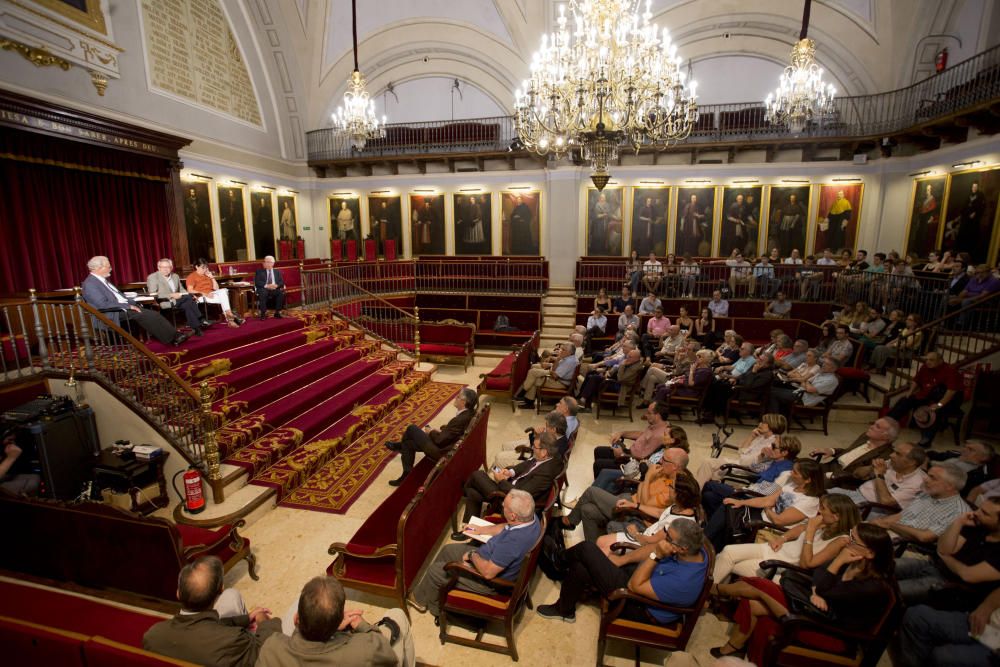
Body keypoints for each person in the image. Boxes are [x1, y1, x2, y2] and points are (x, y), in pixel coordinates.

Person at [709, 523, 896, 664]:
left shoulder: (873, 587)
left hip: (828, 629)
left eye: (854, 540)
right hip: (813, 608)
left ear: (870, 553)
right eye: (849, 535)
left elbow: (827, 588)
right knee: (754, 601)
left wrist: (836, 564)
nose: (847, 541)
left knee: (759, 587)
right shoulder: (854, 561)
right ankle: (734, 647)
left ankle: (712, 590)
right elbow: (818, 573)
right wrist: (817, 591)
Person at [537, 519, 708, 624]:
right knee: (581, 566)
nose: (664, 540)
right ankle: (564, 610)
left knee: (587, 549)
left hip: (640, 606)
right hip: (644, 579)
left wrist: (657, 555)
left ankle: (558, 560)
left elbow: (634, 586)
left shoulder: (684, 581)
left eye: (669, 538)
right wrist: (621, 560)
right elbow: (653, 547)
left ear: (683, 548)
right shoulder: (694, 551)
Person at [409, 490, 540, 617]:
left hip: (488, 582)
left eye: (504, 506)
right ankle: (430, 593)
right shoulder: (531, 519)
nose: (502, 506)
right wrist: (481, 529)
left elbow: (488, 573)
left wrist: (472, 555)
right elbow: (507, 526)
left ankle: (435, 608)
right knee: (448, 550)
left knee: (435, 571)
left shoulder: (512, 543)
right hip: (488, 556)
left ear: (513, 516)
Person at [143, 556, 282, 666]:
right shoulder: (232, 641)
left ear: (178, 593)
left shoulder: (152, 635)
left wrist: (245, 618)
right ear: (220, 589)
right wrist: (263, 620)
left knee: (231, 595)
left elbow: (203, 627)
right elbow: (265, 650)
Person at [257, 576, 413, 667]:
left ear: (296, 619)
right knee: (397, 614)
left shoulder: (270, 648)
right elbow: (389, 656)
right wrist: (363, 626)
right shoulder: (365, 649)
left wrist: (325, 625)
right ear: (338, 622)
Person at [713, 493, 860, 585]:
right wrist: (782, 538)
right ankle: (713, 593)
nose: (819, 511)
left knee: (729, 564)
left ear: (836, 517)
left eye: (823, 509)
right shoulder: (823, 522)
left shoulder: (841, 540)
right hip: (776, 549)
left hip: (783, 565)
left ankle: (711, 593)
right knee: (727, 552)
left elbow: (807, 564)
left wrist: (810, 531)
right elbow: (799, 529)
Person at [893, 494, 1000, 606]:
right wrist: (958, 522)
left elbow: (967, 575)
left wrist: (946, 557)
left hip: (949, 586)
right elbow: (944, 548)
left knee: (890, 590)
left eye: (984, 513)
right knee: (878, 566)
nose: (976, 513)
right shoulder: (977, 526)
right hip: (933, 565)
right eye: (979, 509)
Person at [704, 457, 823, 553]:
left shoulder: (810, 502)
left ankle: (704, 543)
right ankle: (708, 546)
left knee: (727, 510)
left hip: (767, 527)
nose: (791, 473)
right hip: (760, 515)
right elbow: (768, 500)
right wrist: (741, 502)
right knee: (730, 503)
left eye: (795, 472)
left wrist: (767, 508)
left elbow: (779, 520)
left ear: (808, 480)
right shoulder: (792, 486)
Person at [457, 433, 562, 527]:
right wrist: (510, 472)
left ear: (544, 452)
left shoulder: (546, 472)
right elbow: (526, 464)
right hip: (511, 486)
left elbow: (520, 495)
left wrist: (501, 481)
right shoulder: (547, 458)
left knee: (477, 475)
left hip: (512, 501)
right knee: (473, 493)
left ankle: (462, 491)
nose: (532, 448)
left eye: (534, 447)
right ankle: (469, 527)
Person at [82, 256, 189, 346]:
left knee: (152, 313)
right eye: (108, 266)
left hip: (120, 308)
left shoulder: (102, 280)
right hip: (111, 312)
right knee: (147, 315)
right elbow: (102, 304)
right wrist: (128, 306)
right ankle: (172, 338)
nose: (111, 268)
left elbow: (119, 296)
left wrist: (133, 301)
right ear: (98, 268)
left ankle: (174, 336)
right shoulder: (91, 283)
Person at [385, 387, 476, 485]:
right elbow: (454, 432)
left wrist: (431, 431)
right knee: (408, 444)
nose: (455, 398)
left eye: (458, 397)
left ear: (463, 402)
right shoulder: (470, 413)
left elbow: (439, 441)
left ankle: (399, 447)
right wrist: (444, 431)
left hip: (441, 452)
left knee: (411, 428)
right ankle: (406, 473)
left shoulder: (459, 420)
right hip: (449, 446)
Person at [893, 587, 1000, 667]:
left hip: (996, 649)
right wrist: (987, 606)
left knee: (942, 656)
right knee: (915, 616)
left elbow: (967, 574)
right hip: (989, 624)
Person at [869, 462, 971, 544]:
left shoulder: (959, 513)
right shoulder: (928, 493)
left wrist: (890, 525)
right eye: (928, 475)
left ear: (950, 486)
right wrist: (879, 522)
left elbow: (924, 537)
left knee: (857, 545)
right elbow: (900, 516)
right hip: (891, 534)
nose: (925, 479)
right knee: (855, 532)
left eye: (932, 477)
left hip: (907, 547)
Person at [887, 350, 963, 447]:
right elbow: (916, 380)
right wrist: (909, 393)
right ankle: (887, 422)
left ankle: (926, 440)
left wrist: (939, 405)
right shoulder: (925, 367)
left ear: (940, 361)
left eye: (931, 360)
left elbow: (951, 392)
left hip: (949, 400)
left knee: (934, 411)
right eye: (926, 359)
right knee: (905, 401)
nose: (928, 362)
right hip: (930, 395)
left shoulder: (950, 371)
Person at [827, 441, 928, 512]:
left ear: (911, 462)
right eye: (894, 451)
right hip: (857, 493)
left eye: (898, 454)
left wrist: (879, 475)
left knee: (829, 508)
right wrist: (871, 467)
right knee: (820, 494)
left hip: (873, 508)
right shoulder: (892, 463)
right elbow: (856, 474)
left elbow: (886, 502)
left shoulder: (918, 483)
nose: (891, 455)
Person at [695, 413, 786, 487]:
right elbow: (741, 451)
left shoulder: (771, 445)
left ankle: (693, 497)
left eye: (763, 422)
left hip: (744, 469)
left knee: (707, 465)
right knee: (707, 468)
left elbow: (746, 462)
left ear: (772, 426)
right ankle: (695, 495)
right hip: (739, 462)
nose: (760, 424)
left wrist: (741, 457)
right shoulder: (763, 438)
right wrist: (751, 437)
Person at [590, 402, 670, 478]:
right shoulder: (657, 425)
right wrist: (622, 433)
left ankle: (603, 487)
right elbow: (642, 435)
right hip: (629, 453)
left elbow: (643, 459)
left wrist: (622, 455)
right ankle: (603, 482)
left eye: (649, 413)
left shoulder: (660, 436)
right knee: (598, 450)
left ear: (658, 416)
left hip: (631, 462)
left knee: (598, 464)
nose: (646, 415)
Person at [811, 416, 901, 477]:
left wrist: (830, 475)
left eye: (877, 427)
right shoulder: (865, 436)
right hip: (831, 466)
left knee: (805, 477)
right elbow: (849, 452)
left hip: (841, 478)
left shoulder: (886, 455)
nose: (871, 427)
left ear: (886, 436)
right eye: (873, 424)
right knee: (801, 465)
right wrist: (832, 451)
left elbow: (861, 475)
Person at [491, 409, 568, 470]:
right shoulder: (558, 437)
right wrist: (535, 434)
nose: (545, 427)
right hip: (533, 450)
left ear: (554, 429)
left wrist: (535, 437)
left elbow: (537, 456)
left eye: (547, 426)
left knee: (498, 457)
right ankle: (501, 467)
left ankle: (500, 472)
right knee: (505, 446)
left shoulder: (556, 447)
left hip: (531, 459)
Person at [147, 258, 207, 336]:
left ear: (171, 268)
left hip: (180, 300)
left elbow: (181, 289)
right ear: (158, 268)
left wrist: (188, 295)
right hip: (165, 301)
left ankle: (196, 328)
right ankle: (200, 318)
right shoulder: (153, 277)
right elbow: (153, 294)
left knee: (188, 303)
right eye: (163, 267)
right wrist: (171, 295)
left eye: (168, 267)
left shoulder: (175, 276)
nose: (165, 269)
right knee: (189, 298)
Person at [767, 356, 839, 417]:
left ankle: (774, 421)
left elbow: (810, 389)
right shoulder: (821, 373)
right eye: (824, 363)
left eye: (827, 364)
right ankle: (781, 416)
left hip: (806, 399)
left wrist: (806, 382)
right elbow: (805, 382)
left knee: (772, 393)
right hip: (800, 392)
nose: (823, 365)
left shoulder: (831, 380)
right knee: (772, 389)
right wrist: (806, 382)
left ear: (833, 368)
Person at [514, 343, 578, 409]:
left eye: (563, 350)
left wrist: (549, 371)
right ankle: (527, 399)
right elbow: (554, 369)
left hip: (560, 383)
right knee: (534, 370)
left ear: (569, 352)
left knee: (533, 374)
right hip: (557, 379)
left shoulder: (569, 362)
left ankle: (525, 396)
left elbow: (555, 376)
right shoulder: (569, 357)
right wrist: (558, 359)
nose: (561, 351)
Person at [188, 258, 245, 328]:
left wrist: (212, 277)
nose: (205, 269)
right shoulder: (192, 276)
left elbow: (216, 288)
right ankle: (231, 319)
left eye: (206, 267)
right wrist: (204, 294)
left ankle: (230, 317)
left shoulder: (207, 275)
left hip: (212, 294)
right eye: (203, 268)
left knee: (224, 291)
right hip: (200, 296)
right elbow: (190, 290)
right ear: (196, 267)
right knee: (224, 297)